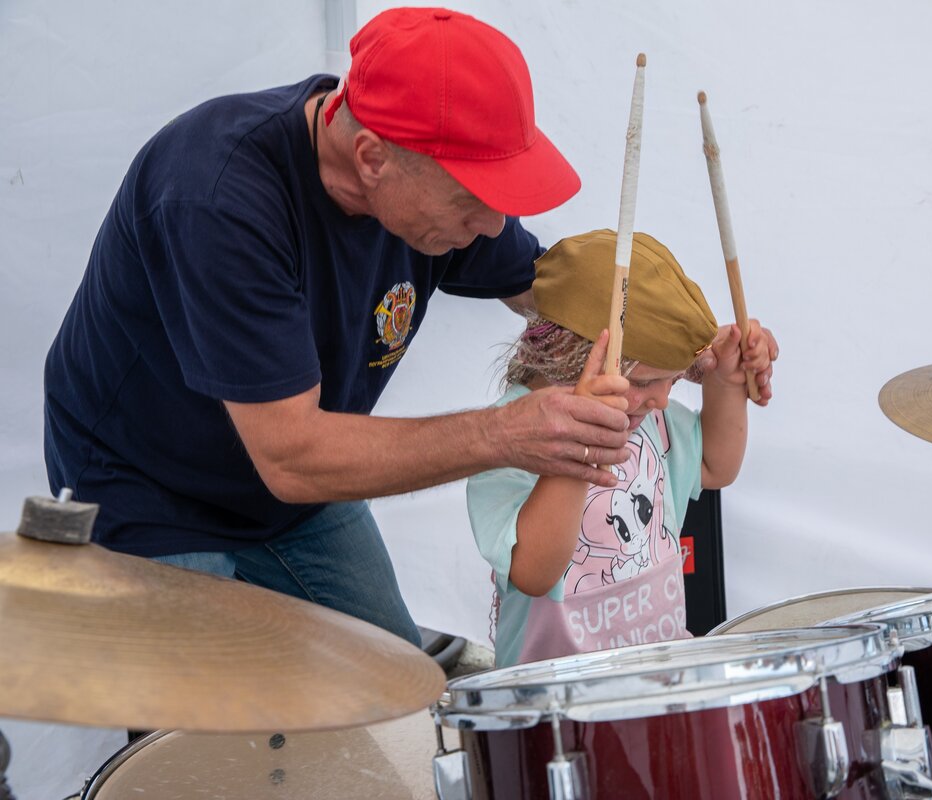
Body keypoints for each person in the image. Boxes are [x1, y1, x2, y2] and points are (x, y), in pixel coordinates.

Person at [42, 8, 633, 647]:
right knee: (199, 732)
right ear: (371, 156)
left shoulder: (426, 179)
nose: (493, 226)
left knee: (394, 697)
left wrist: (693, 344)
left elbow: (547, 290)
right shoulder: (216, 197)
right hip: (148, 488)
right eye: (472, 201)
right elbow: (292, 457)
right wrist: (503, 433)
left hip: (294, 492)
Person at [466, 229, 776, 667]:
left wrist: (725, 379)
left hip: (657, 678)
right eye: (648, 382)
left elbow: (715, 465)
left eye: (671, 380)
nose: (663, 400)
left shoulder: (647, 419)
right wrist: (579, 445)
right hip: (552, 700)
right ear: (571, 357)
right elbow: (533, 573)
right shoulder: (511, 433)